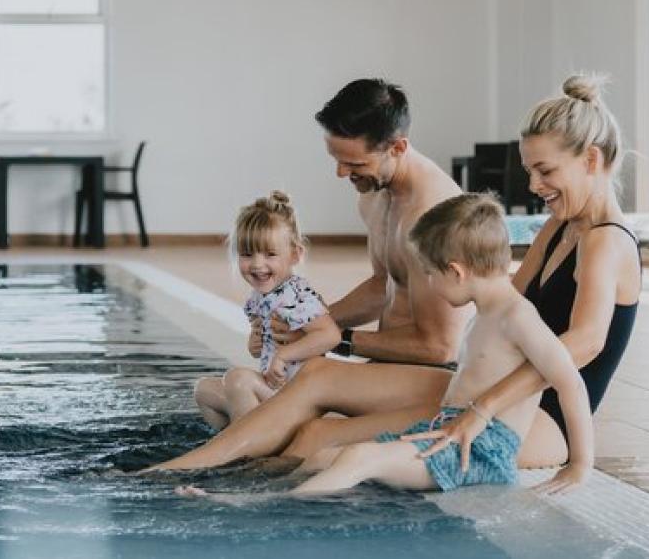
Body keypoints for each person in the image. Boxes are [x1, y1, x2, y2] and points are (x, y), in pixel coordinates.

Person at [147, 78, 472, 472]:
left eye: (354, 164)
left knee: (308, 403)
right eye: (335, 158)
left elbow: (441, 348)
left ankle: (196, 472)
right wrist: (311, 323)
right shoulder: (375, 197)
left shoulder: (436, 216)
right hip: (386, 368)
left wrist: (338, 341)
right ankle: (216, 460)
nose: (340, 173)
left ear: (397, 147)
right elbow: (380, 285)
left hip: (435, 378)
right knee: (219, 389)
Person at [179, 194, 594, 500]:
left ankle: (249, 503)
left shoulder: (517, 317)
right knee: (326, 455)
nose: (427, 285)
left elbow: (570, 382)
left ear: (456, 271)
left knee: (359, 458)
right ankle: (270, 486)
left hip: (479, 451)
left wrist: (579, 465)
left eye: (430, 275)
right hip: (443, 429)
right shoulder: (486, 314)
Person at [411, 74, 640, 473]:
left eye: (545, 171)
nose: (534, 185)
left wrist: (484, 406)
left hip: (546, 419)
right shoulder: (560, 226)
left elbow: (584, 344)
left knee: (381, 452)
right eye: (529, 170)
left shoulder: (606, 242)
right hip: (500, 392)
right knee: (339, 419)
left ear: (591, 160)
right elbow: (504, 301)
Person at [194, 191, 340, 430]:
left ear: (295, 254)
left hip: (301, 400)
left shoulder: (295, 294)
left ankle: (245, 450)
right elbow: (262, 349)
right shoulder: (262, 296)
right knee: (204, 390)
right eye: (247, 254)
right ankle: (235, 437)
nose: (257, 264)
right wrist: (256, 343)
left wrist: (284, 355)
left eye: (270, 254)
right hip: (277, 392)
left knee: (238, 380)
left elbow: (330, 335)